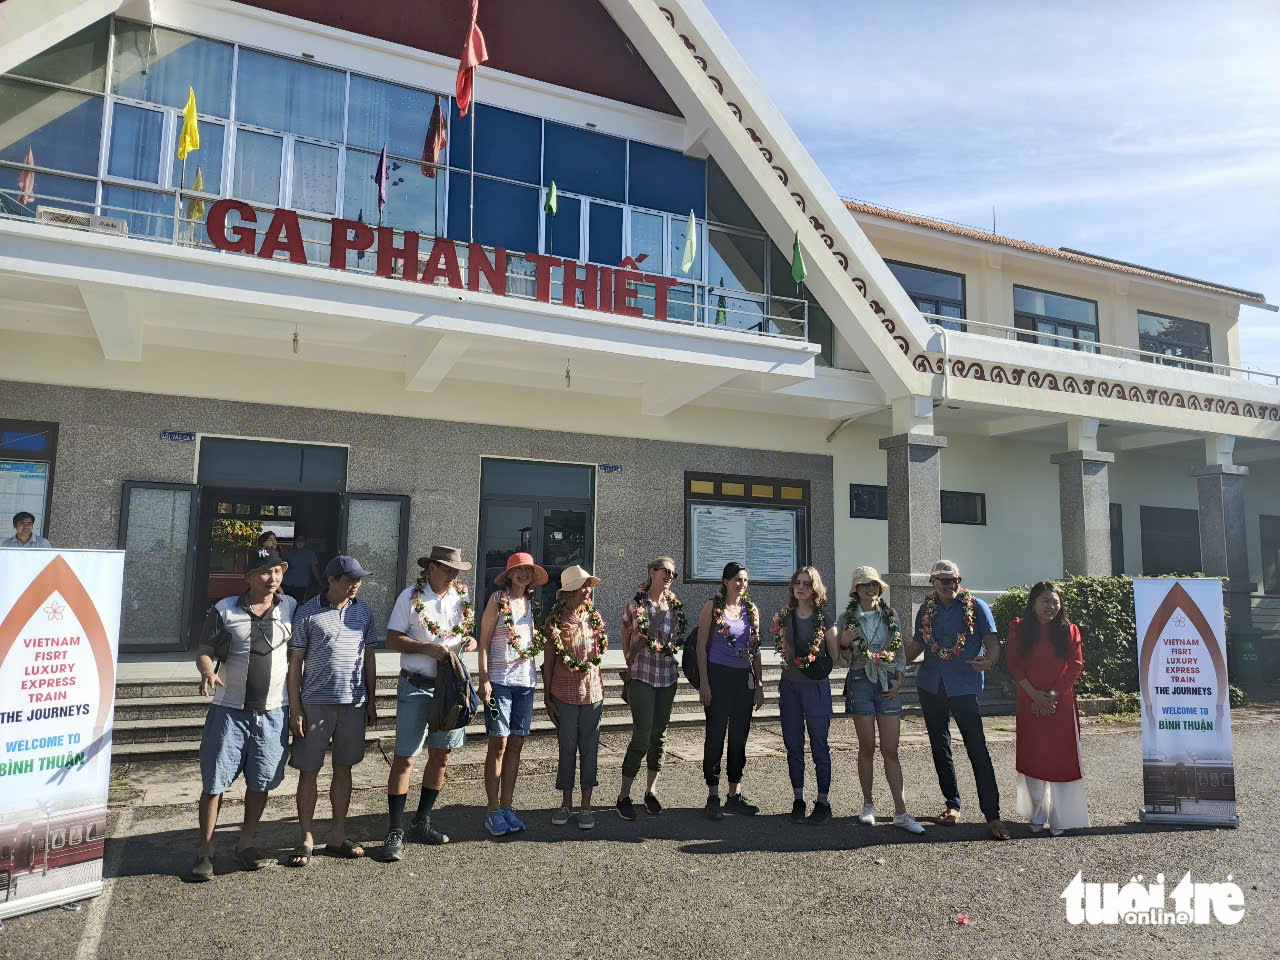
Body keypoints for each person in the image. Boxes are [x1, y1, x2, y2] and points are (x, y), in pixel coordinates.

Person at [189, 544, 297, 880]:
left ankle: (246, 843)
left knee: (261, 782)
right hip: (229, 712)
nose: (272, 578)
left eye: (278, 571)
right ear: (248, 577)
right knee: (214, 783)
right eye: (265, 572)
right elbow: (205, 651)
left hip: (273, 712)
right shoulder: (224, 609)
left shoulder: (291, 607)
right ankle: (206, 850)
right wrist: (207, 670)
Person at [381, 546, 476, 861]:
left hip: (450, 689)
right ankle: (395, 829)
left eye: (456, 571)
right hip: (416, 685)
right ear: (431, 567)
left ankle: (422, 820)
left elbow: (463, 633)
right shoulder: (410, 596)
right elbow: (392, 639)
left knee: (441, 757)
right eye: (448, 569)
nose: (453, 576)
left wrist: (470, 640)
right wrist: (425, 648)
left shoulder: (460, 597)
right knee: (405, 758)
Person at [286, 555, 379, 865]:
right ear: (331, 580)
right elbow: (295, 662)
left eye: (359, 579)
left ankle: (337, 835)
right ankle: (306, 837)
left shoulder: (364, 612)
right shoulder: (307, 612)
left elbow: (369, 657)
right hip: (315, 703)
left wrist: (372, 698)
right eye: (349, 579)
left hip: (353, 703)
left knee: (344, 768)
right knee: (309, 770)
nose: (356, 584)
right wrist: (295, 706)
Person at [907, 559, 1009, 840]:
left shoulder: (976, 607)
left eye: (955, 580)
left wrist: (988, 662)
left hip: (964, 685)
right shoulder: (926, 610)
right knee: (940, 746)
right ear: (932, 582)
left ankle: (993, 814)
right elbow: (917, 644)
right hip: (931, 685)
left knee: (977, 747)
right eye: (944, 581)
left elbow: (993, 645)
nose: (951, 585)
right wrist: (887, 664)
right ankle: (952, 805)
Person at [838, 565, 924, 834]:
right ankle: (868, 805)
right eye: (865, 585)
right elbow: (843, 660)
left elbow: (899, 649)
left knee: (891, 748)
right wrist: (844, 642)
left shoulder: (891, 615)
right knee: (866, 746)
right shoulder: (847, 617)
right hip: (860, 681)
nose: (871, 589)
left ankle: (901, 811)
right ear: (856, 590)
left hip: (887, 682)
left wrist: (899, 677)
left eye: (874, 584)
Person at [1006, 581, 1089, 836]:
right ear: (1033, 604)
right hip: (1029, 701)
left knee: (1060, 758)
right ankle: (1037, 813)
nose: (1050, 607)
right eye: (1045, 601)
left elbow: (1075, 665)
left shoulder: (1069, 630)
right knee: (1034, 756)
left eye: (1055, 602)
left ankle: (1060, 817)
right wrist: (1034, 695)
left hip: (1059, 703)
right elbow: (1013, 663)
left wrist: (1050, 697)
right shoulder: (1019, 628)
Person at [476, 552, 547, 837]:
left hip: (525, 684)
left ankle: (507, 805)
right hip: (498, 682)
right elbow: (483, 642)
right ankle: (493, 809)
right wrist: (483, 680)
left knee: (516, 743)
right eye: (518, 570)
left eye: (528, 570)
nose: (523, 574)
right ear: (508, 575)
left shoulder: (532, 604)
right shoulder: (497, 600)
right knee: (498, 743)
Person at [616, 557, 686, 820]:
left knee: (660, 735)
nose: (669, 576)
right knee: (642, 735)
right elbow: (624, 633)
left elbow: (675, 638)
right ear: (652, 572)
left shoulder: (674, 606)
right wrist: (629, 658)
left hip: (667, 675)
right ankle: (624, 795)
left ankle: (651, 791)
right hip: (642, 675)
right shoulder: (636, 603)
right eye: (665, 571)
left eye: (673, 574)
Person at [541, 565, 606, 828]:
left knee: (589, 749)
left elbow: (598, 656)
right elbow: (548, 660)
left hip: (593, 693)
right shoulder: (554, 622)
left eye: (589, 585)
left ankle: (586, 807)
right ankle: (566, 804)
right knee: (567, 747)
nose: (588, 590)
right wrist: (546, 697)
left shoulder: (594, 618)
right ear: (567, 593)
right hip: (563, 693)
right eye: (583, 586)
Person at [697, 561, 763, 820]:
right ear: (725, 582)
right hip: (718, 675)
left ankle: (734, 794)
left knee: (739, 736)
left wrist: (759, 683)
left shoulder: (751, 609)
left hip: (743, 677)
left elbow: (755, 649)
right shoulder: (712, 607)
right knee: (715, 735)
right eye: (737, 579)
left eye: (745, 580)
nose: (742, 584)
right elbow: (701, 647)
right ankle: (713, 795)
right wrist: (704, 682)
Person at [773, 566, 839, 824]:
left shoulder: (825, 618)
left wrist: (814, 665)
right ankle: (798, 799)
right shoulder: (785, 617)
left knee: (820, 746)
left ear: (815, 588)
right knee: (793, 746)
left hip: (816, 689)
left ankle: (822, 802)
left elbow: (834, 656)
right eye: (797, 583)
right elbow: (784, 652)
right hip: (790, 687)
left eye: (807, 583)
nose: (801, 587)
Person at [281, 536, 321, 604]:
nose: (299, 542)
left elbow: (314, 569)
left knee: (298, 604)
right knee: (286, 604)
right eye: (298, 540)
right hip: (287, 584)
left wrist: (319, 581)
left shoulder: (310, 554)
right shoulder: (290, 553)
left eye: (301, 540)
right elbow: (284, 566)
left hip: (301, 585)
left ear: (305, 542)